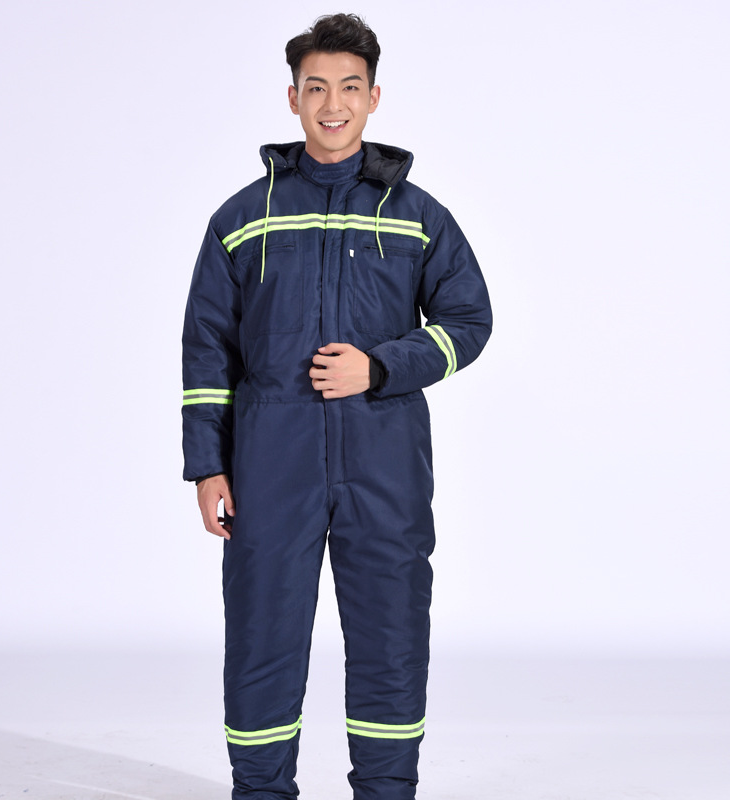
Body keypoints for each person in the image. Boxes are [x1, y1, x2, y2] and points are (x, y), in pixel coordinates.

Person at [182, 13, 491, 800]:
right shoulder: (241, 218)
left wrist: (380, 367)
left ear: (373, 97)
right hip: (269, 460)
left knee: (391, 634)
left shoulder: (417, 215)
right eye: (315, 87)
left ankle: (386, 791)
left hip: (384, 458)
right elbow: (206, 351)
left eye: (349, 88)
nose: (332, 104)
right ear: (292, 98)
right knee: (262, 632)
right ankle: (260, 791)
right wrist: (207, 466)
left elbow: (468, 321)